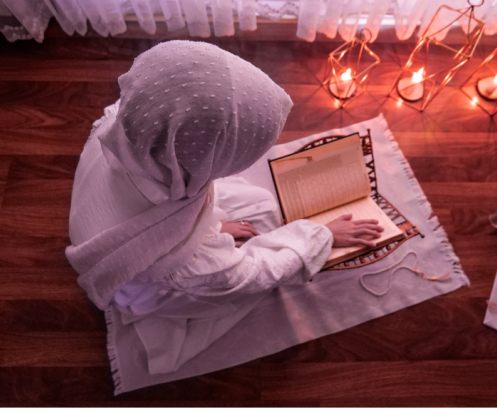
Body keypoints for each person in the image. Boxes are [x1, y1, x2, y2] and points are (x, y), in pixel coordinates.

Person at [66, 40, 382, 374]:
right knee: (249, 260)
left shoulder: (124, 124)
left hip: (145, 225)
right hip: (154, 280)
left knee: (257, 204)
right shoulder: (175, 257)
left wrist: (206, 228)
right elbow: (248, 275)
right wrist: (320, 235)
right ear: (197, 163)